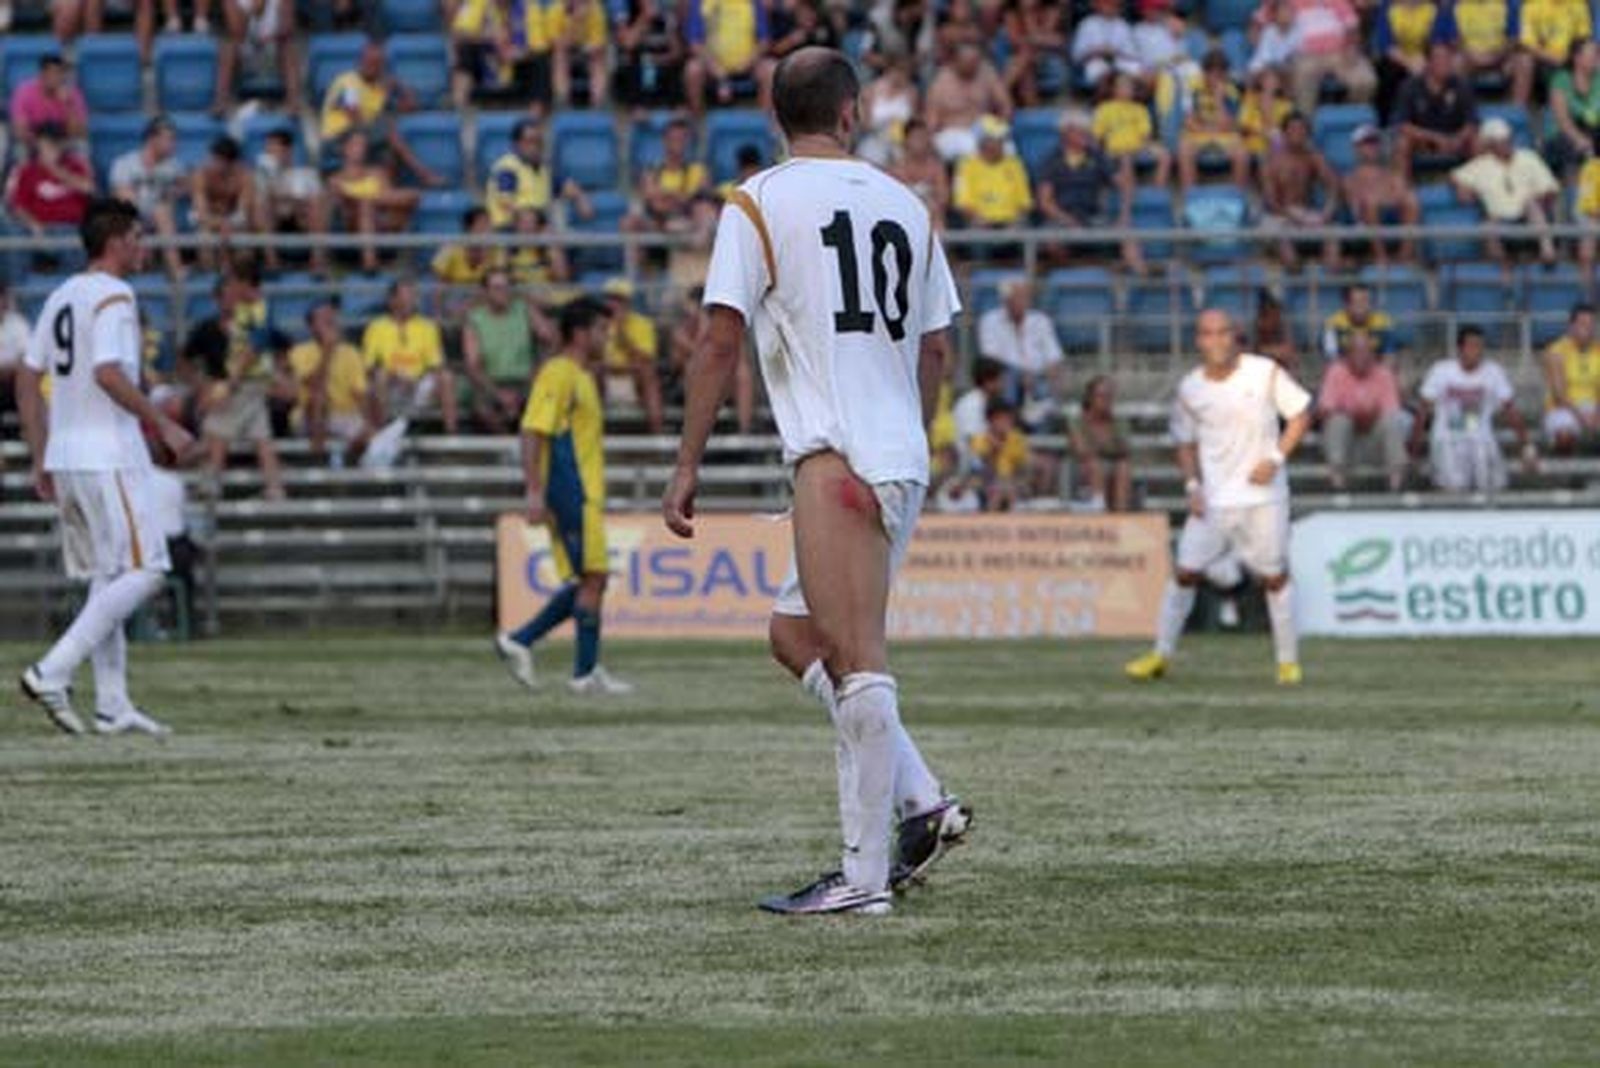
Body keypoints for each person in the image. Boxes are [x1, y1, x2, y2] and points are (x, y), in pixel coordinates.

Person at [666, 47, 971, 916]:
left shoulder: (758, 202)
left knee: (854, 659)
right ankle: (922, 800)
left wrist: (687, 461)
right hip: (893, 449)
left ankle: (864, 881)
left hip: (836, 455)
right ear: (851, 113)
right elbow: (937, 344)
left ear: (777, 118)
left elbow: (719, 340)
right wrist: (910, 438)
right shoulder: (906, 203)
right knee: (794, 635)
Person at [15, 197, 195, 736]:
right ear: (116, 242)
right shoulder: (116, 295)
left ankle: (112, 704)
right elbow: (109, 373)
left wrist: (39, 452)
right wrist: (162, 423)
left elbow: (28, 379)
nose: (143, 247)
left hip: (68, 455)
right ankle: (53, 668)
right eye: (138, 237)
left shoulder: (62, 295)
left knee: (108, 576)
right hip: (108, 454)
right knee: (147, 570)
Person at [1125, 309, 1312, 685]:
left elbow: (1301, 413)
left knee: (1274, 578)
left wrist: (1275, 458)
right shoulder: (1191, 389)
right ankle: (1160, 654)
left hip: (1263, 498)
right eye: (1208, 334)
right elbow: (1184, 442)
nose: (1217, 341)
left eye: (1223, 332)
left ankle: (1287, 662)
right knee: (1185, 573)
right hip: (1215, 499)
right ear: (1199, 340)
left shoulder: (1263, 372)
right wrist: (1192, 487)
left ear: (1235, 336)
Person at [494, 297, 633, 696]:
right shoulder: (558, 373)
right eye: (602, 330)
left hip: (583, 492)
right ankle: (576, 670)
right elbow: (533, 430)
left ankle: (532, 646)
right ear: (580, 332)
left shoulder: (581, 375)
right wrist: (535, 491)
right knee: (593, 577)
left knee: (592, 578)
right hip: (570, 489)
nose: (607, 338)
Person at [185, 272, 287, 501]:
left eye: (235, 296)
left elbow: (277, 347)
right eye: (226, 297)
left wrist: (277, 374)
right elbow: (186, 359)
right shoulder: (207, 328)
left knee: (217, 430)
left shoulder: (251, 322)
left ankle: (211, 486)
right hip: (224, 387)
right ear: (217, 299)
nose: (231, 301)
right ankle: (275, 488)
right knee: (259, 436)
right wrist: (200, 384)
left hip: (242, 386)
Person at [1413, 324, 1535, 491]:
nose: (1477, 351)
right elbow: (1423, 410)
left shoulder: (1493, 372)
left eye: (1480, 346)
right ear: (1460, 349)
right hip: (1448, 437)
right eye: (1472, 346)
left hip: (1480, 437)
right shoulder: (1441, 371)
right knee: (1453, 485)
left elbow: (1511, 410)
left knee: (1491, 481)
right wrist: (1414, 448)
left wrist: (1527, 446)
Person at [318, 39, 444, 187]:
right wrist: (381, 126)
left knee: (388, 153)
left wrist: (398, 85)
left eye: (377, 63)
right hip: (337, 138)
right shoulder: (347, 82)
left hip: (362, 137)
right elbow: (355, 116)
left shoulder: (378, 90)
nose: (371, 66)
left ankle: (385, 192)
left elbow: (411, 105)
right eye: (368, 62)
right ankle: (424, 173)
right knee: (389, 133)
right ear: (361, 61)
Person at [1039, 113, 1147, 274]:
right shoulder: (1051, 161)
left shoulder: (1097, 156)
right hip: (1062, 218)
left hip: (1093, 217)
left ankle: (1144, 280)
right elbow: (1045, 202)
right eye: (1081, 131)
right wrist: (1068, 221)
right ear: (1067, 134)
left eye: (1086, 131)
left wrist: (1124, 215)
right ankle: (1073, 276)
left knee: (1129, 235)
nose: (1086, 134)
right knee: (1051, 243)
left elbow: (1125, 185)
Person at [1450, 117, 1560, 268]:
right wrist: (1462, 188)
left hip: (1528, 217)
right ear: (1491, 145)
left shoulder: (1528, 157)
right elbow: (1454, 176)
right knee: (1488, 225)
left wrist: (1542, 199)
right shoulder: (1482, 164)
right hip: (1499, 220)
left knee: (1531, 205)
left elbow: (1550, 188)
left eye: (1508, 139)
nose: (1506, 144)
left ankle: (1548, 253)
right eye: (1500, 141)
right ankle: (1503, 269)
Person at [363, 278, 459, 434]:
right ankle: (380, 436)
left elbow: (436, 365)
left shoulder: (428, 327)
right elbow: (369, 367)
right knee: (379, 376)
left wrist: (416, 380)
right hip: (390, 387)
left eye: (414, 296)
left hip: (418, 386)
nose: (413, 300)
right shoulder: (376, 327)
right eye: (407, 295)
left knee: (446, 377)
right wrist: (394, 377)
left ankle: (452, 435)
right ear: (392, 300)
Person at [287, 300, 375, 465]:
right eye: (324, 318)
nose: (330, 321)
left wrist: (368, 423)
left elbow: (359, 393)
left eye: (331, 317)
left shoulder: (351, 352)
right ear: (312, 327)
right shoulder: (299, 351)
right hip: (310, 417)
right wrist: (327, 351)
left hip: (344, 414)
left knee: (369, 429)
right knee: (318, 398)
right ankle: (320, 456)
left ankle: (340, 458)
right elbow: (313, 385)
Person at [1317, 333, 1408, 491]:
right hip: (1345, 444)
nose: (1362, 356)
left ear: (1373, 354)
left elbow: (1391, 410)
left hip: (1376, 444)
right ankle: (1337, 483)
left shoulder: (1384, 374)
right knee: (1338, 420)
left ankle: (1396, 483)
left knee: (1392, 421)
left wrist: (1366, 416)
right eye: (1356, 351)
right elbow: (1324, 411)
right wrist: (1353, 414)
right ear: (1347, 354)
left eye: (1366, 351)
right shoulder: (1335, 372)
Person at [462, 267, 544, 433]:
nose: (504, 292)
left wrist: (536, 371)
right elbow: (473, 366)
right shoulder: (474, 319)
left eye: (508, 287)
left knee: (544, 399)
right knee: (482, 407)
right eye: (497, 288)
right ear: (485, 292)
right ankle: (508, 445)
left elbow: (551, 339)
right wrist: (498, 393)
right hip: (490, 381)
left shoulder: (524, 309)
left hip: (525, 380)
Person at [328, 131, 422, 273]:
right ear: (344, 148)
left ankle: (381, 256)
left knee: (412, 196)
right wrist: (370, 201)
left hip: (384, 222)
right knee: (365, 207)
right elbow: (343, 207)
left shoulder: (377, 173)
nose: (360, 148)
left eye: (362, 145)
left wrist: (372, 200)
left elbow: (395, 200)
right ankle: (369, 261)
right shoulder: (335, 180)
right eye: (356, 144)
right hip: (353, 225)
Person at [1261, 111, 1341, 269]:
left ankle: (1331, 284)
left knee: (1332, 236)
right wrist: (1295, 217)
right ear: (1284, 133)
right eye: (1293, 129)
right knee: (1283, 238)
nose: (1298, 133)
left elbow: (1334, 185)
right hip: (1278, 216)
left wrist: (1328, 210)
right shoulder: (1271, 162)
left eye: (1302, 129)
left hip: (1306, 213)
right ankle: (1295, 280)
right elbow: (1271, 202)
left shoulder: (1313, 158)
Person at [110, 117, 186, 280]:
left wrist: (176, 192)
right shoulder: (125, 163)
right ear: (152, 139)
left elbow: (184, 189)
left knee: (162, 211)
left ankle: (176, 271)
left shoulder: (175, 167)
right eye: (169, 139)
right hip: (132, 216)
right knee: (129, 201)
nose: (174, 144)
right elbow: (121, 195)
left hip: (163, 219)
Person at [1393, 41, 1479, 180]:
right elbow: (1403, 125)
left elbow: (1472, 122)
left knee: (1476, 141)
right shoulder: (1410, 86)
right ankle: (1402, 189)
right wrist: (1435, 138)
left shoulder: (1461, 85)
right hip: (1424, 141)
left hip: (1454, 139)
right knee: (1402, 143)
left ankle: (1476, 188)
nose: (1446, 63)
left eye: (1448, 58)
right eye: (1440, 58)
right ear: (1428, 62)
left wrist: (1458, 138)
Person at [485, 118, 591, 230]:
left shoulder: (544, 169)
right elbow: (507, 203)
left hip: (535, 232)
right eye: (530, 141)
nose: (535, 147)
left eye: (539, 141)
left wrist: (580, 197)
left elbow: (568, 187)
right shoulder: (507, 167)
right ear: (516, 144)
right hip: (507, 232)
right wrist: (535, 223)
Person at [1342, 125, 1421, 265]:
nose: (1372, 147)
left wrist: (1384, 196)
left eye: (1374, 142)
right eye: (1367, 143)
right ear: (1357, 148)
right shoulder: (1351, 178)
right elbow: (1355, 204)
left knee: (1411, 200)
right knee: (1371, 203)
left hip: (1389, 214)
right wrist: (1383, 196)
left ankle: (1405, 254)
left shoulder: (1389, 174)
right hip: (1365, 219)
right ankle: (1381, 256)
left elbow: (1401, 193)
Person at [253, 129, 328, 273]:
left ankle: (317, 260)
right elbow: (260, 203)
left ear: (287, 150)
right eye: (268, 148)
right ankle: (272, 261)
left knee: (314, 204)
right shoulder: (261, 176)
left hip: (301, 219)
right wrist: (272, 178)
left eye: (274, 147)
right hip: (275, 219)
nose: (269, 152)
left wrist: (293, 203)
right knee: (263, 205)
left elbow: (317, 202)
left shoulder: (307, 174)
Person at [510, 0, 609, 109]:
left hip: (586, 49)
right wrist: (576, 21)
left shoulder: (595, 8)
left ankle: (597, 102)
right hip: (563, 49)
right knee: (560, 56)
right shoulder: (556, 9)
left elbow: (598, 42)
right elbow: (556, 43)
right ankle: (563, 101)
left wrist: (588, 49)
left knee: (598, 58)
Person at [1285, 0, 1376, 116]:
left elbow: (1352, 26)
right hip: (1305, 54)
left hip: (1339, 51)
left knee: (1366, 81)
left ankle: (1347, 118)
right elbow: (1265, 19)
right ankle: (1305, 124)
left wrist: (1351, 46)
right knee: (1302, 79)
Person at [925, 43, 1012, 161]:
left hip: (982, 126)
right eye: (968, 62)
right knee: (971, 148)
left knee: (1008, 149)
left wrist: (1001, 125)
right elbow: (931, 119)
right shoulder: (940, 83)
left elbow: (1005, 104)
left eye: (975, 62)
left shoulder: (986, 72)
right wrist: (930, 142)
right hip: (952, 131)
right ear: (955, 62)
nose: (972, 66)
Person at [1178, 50, 1250, 194]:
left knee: (1242, 153)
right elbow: (1188, 122)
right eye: (1212, 73)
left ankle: (1237, 198)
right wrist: (1206, 130)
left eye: (1220, 74)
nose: (1216, 78)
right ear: (1204, 73)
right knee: (1184, 150)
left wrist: (1219, 100)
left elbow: (1230, 125)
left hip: (1225, 135)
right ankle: (1191, 198)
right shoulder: (1194, 90)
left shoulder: (1232, 93)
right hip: (1199, 133)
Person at [3, 122, 93, 236]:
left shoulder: (76, 165)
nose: (52, 146)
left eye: (55, 142)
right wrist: (33, 223)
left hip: (71, 227)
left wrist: (56, 170)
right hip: (39, 229)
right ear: (38, 143)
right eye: (47, 142)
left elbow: (89, 189)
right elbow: (18, 206)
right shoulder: (26, 170)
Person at [214, 0, 302, 116]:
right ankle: (221, 101)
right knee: (229, 47)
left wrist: (270, 37)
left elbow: (287, 28)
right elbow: (236, 31)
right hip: (245, 47)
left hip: (273, 45)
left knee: (288, 48)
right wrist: (252, 11)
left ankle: (293, 101)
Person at [600, 279, 665, 434]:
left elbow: (645, 361)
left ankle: (658, 435)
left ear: (628, 302)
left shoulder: (643, 324)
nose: (613, 303)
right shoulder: (596, 324)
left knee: (649, 376)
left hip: (633, 378)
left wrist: (621, 331)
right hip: (604, 376)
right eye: (610, 298)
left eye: (618, 299)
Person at [683, 0, 767, 115]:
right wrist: (715, 68)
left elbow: (764, 42)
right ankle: (698, 120)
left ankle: (766, 124)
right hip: (711, 66)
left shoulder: (753, 3)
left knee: (770, 69)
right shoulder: (699, 3)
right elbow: (695, 44)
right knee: (692, 70)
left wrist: (748, 62)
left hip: (748, 65)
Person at [952, 116, 1034, 231]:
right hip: (980, 223)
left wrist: (1015, 221)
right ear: (983, 142)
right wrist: (981, 221)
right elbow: (963, 204)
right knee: (977, 232)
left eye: (1001, 139)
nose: (1001, 143)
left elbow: (1025, 203)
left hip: (1011, 223)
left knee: (1022, 229)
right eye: (996, 139)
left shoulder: (1015, 164)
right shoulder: (966, 166)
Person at [1092, 72, 1172, 187]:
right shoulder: (1104, 109)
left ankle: (1157, 190)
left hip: (1138, 146)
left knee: (1165, 156)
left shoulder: (1140, 109)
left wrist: (1149, 146)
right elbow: (1097, 135)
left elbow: (1145, 133)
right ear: (1114, 89)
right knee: (1126, 159)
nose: (1127, 90)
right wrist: (1101, 151)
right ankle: (1130, 193)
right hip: (1116, 148)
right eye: (1123, 86)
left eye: (1130, 87)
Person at [1541, 303, 1600, 453]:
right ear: (1571, 326)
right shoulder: (1556, 351)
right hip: (1563, 408)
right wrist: (1583, 417)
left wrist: (1596, 414)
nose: (1588, 328)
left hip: (1593, 406)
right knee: (1564, 436)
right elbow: (1559, 395)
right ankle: (1566, 473)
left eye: (1592, 324)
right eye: (1583, 324)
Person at [190, 136, 256, 271]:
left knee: (243, 243)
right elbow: (201, 212)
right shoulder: (201, 175)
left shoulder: (244, 176)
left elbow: (243, 213)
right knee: (205, 237)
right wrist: (220, 224)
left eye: (220, 161)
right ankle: (208, 276)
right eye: (215, 159)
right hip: (208, 221)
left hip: (233, 221)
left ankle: (240, 276)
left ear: (231, 163)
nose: (215, 164)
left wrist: (229, 224)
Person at [1452, 0, 1531, 107]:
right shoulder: (1459, 6)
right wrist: (1470, 55)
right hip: (1470, 57)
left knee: (1524, 60)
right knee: (1456, 61)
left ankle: (1517, 111)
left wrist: (1501, 55)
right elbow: (1454, 40)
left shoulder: (1507, 4)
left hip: (1501, 56)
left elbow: (1513, 38)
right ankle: (1460, 110)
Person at [1071, 374, 1133, 511]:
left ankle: (1120, 514)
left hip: (1113, 464)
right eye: (1101, 396)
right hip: (1083, 468)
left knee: (1123, 467)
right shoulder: (1077, 421)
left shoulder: (1119, 422)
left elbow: (1125, 448)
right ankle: (1099, 511)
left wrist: (1099, 446)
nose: (1106, 400)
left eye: (1109, 396)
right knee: (1095, 465)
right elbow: (1081, 449)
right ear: (1090, 398)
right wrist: (1108, 445)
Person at [612, 0, 688, 109]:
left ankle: (678, 112)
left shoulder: (667, 16)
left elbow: (677, 52)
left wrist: (659, 59)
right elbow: (628, 44)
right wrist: (645, 18)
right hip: (638, 66)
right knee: (632, 69)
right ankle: (638, 108)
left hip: (663, 64)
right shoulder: (627, 14)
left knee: (676, 71)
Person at [8, 54, 87, 150]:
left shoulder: (72, 94)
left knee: (82, 146)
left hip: (63, 142)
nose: (55, 78)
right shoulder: (24, 92)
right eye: (51, 73)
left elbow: (78, 132)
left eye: (59, 74)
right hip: (34, 142)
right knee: (19, 148)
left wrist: (68, 104)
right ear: (42, 74)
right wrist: (42, 146)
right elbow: (20, 131)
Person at [970, 397, 1036, 509]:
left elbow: (1024, 468)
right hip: (985, 485)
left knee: (1008, 489)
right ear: (990, 420)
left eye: (1008, 418)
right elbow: (981, 469)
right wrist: (995, 447)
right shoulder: (980, 439)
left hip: (1012, 485)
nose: (1006, 422)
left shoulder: (1017, 439)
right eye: (1001, 418)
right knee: (996, 492)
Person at [1548, 40, 1600, 174]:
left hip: (1593, 131)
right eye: (1594, 54)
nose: (1598, 57)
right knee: (1574, 147)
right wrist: (1580, 139)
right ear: (1577, 58)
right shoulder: (1561, 80)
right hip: (1564, 134)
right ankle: (1573, 191)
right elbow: (1563, 120)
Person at [887, 119, 951, 224]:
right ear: (906, 140)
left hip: (932, 215)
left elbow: (944, 197)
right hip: (905, 215)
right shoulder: (896, 170)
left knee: (936, 213)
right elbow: (891, 200)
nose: (921, 142)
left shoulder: (936, 168)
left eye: (924, 137)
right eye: (916, 138)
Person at [1070, 0, 1140, 94]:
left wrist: (1115, 52)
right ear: (1098, 5)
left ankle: (1134, 103)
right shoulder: (1087, 24)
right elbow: (1076, 55)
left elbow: (1132, 54)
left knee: (1135, 69)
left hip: (1118, 61)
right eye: (1107, 4)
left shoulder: (1123, 25)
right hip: (1094, 62)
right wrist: (1096, 51)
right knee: (1101, 70)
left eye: (1115, 5)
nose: (1111, 7)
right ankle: (1101, 102)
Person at [1320, 284, 1394, 361]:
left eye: (1366, 302)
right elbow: (1331, 359)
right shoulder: (1333, 324)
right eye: (1356, 303)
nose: (1362, 308)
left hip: (1375, 368)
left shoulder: (1383, 323)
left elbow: (1389, 357)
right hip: (1343, 368)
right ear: (1346, 304)